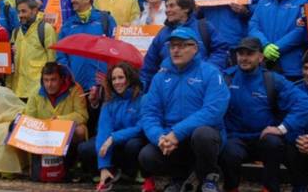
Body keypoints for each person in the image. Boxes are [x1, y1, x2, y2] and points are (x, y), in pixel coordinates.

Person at [139, 27, 230, 192]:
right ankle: (178, 179)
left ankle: (209, 177)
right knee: (147, 156)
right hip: (172, 139)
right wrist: (159, 137)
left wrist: (177, 132)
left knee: (203, 135)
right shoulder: (160, 77)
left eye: (182, 45)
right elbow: (149, 114)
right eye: (173, 46)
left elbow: (214, 110)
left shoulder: (210, 73)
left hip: (201, 136)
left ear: (195, 48)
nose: (176, 50)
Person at [220, 37, 308, 192]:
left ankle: (270, 188)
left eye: (249, 54)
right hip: (235, 138)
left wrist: (282, 128)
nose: (244, 58)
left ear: (261, 57)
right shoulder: (225, 78)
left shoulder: (273, 80)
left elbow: (305, 104)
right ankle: (231, 188)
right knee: (228, 150)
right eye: (240, 53)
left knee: (274, 143)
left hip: (263, 137)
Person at [78, 62, 149, 192]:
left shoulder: (143, 99)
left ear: (130, 78)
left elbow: (141, 128)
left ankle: (131, 172)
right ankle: (107, 171)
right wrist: (103, 166)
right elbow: (104, 131)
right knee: (85, 148)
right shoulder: (109, 101)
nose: (117, 82)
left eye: (121, 77)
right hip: (112, 143)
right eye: (113, 79)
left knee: (133, 146)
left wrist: (113, 138)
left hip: (131, 140)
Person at [140, 0, 229, 91]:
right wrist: (142, 84)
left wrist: (208, 72)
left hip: (200, 88)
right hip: (170, 90)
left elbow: (221, 50)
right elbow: (150, 64)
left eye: (172, 6)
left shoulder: (204, 27)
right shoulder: (162, 33)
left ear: (186, 9)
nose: (167, 10)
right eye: (167, 6)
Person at [249, 0, 308, 81]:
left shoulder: (304, 1)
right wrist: (265, 45)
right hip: (264, 65)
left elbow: (301, 30)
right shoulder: (263, 2)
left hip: (291, 66)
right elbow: (253, 27)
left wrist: (277, 48)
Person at [24, 62, 88, 165]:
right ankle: (34, 165)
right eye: (46, 80)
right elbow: (28, 119)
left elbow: (82, 115)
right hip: (42, 134)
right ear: (42, 80)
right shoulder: (35, 92)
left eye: (53, 80)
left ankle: (75, 163)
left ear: (62, 79)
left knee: (80, 130)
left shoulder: (76, 89)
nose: (49, 84)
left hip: (66, 131)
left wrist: (59, 120)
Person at [57, 0, 116, 92]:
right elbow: (61, 54)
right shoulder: (68, 25)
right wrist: (68, 75)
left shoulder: (105, 19)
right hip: (76, 85)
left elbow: (115, 47)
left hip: (102, 84)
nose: (72, 0)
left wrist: (110, 75)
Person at [9, 0, 57, 101]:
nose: (20, 15)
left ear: (34, 10)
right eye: (19, 12)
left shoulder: (46, 29)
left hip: (37, 90)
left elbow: (52, 61)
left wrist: (48, 87)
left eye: (24, 11)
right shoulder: (16, 31)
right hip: (17, 89)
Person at [285, 46, 308, 191]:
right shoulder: (294, 90)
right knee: (284, 145)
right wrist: (299, 139)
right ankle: (300, 185)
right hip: (301, 146)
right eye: (305, 68)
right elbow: (285, 121)